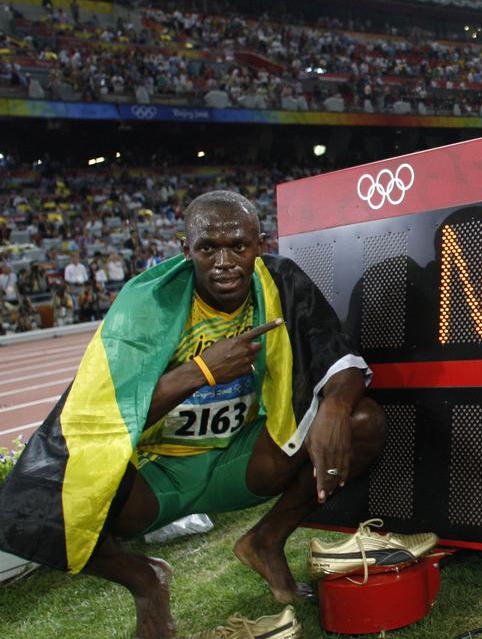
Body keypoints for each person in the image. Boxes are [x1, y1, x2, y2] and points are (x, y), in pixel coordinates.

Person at [0, 190, 386, 639]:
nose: (224, 261)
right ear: (186, 251)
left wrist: (336, 406)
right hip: (156, 475)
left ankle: (265, 541)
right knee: (33, 509)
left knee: (364, 423)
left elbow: (336, 355)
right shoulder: (147, 304)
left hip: (243, 459)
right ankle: (145, 580)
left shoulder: (279, 281)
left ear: (259, 243)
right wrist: (202, 370)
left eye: (238, 246)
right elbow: (105, 414)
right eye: (208, 248)